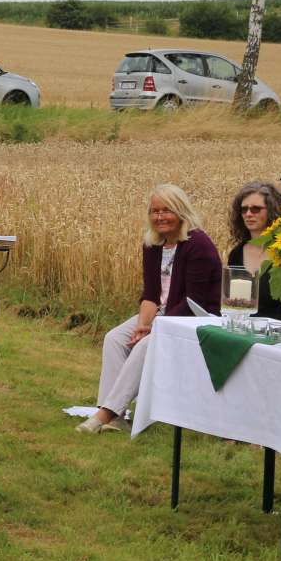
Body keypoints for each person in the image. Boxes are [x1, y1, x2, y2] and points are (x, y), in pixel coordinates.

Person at [77, 183, 220, 433]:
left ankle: (104, 415)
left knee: (146, 345)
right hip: (162, 315)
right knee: (114, 338)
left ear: (181, 211)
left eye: (167, 210)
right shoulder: (153, 244)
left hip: (195, 322)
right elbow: (151, 295)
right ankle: (117, 416)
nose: (160, 217)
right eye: (154, 211)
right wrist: (143, 325)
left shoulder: (198, 245)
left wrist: (153, 329)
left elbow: (192, 303)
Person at [226, 181, 281, 324]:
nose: (248, 214)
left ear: (271, 211)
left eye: (256, 209)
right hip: (243, 331)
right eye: (244, 209)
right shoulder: (236, 254)